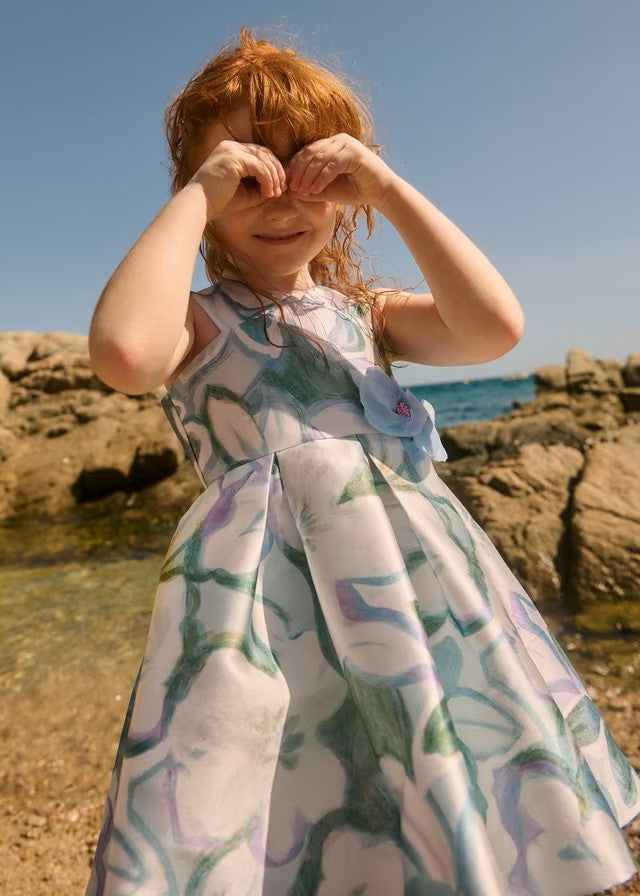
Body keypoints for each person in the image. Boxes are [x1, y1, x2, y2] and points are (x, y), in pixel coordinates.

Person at [85, 27, 640, 896]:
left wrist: (384, 185)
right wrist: (198, 193)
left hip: (411, 589)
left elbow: (495, 327)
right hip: (263, 609)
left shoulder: (367, 314)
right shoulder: (196, 321)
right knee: (284, 772)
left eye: (308, 165)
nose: (280, 193)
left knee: (431, 746)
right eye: (246, 167)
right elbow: (123, 351)